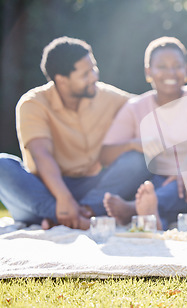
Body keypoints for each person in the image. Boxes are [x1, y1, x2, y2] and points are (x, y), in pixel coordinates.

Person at [0, 36, 141, 230]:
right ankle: (76, 216)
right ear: (61, 80)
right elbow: (42, 155)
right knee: (2, 166)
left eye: (94, 68)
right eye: (85, 74)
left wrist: (186, 95)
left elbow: (146, 107)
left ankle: (72, 214)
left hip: (92, 187)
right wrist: (63, 198)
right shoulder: (32, 103)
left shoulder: (104, 95)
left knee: (136, 161)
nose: (94, 76)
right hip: (47, 188)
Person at [101, 36, 187, 230]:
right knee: (146, 180)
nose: (170, 72)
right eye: (161, 66)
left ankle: (136, 210)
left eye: (177, 66)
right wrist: (133, 143)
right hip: (161, 183)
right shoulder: (135, 107)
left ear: (185, 70)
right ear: (148, 72)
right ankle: (153, 214)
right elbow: (105, 154)